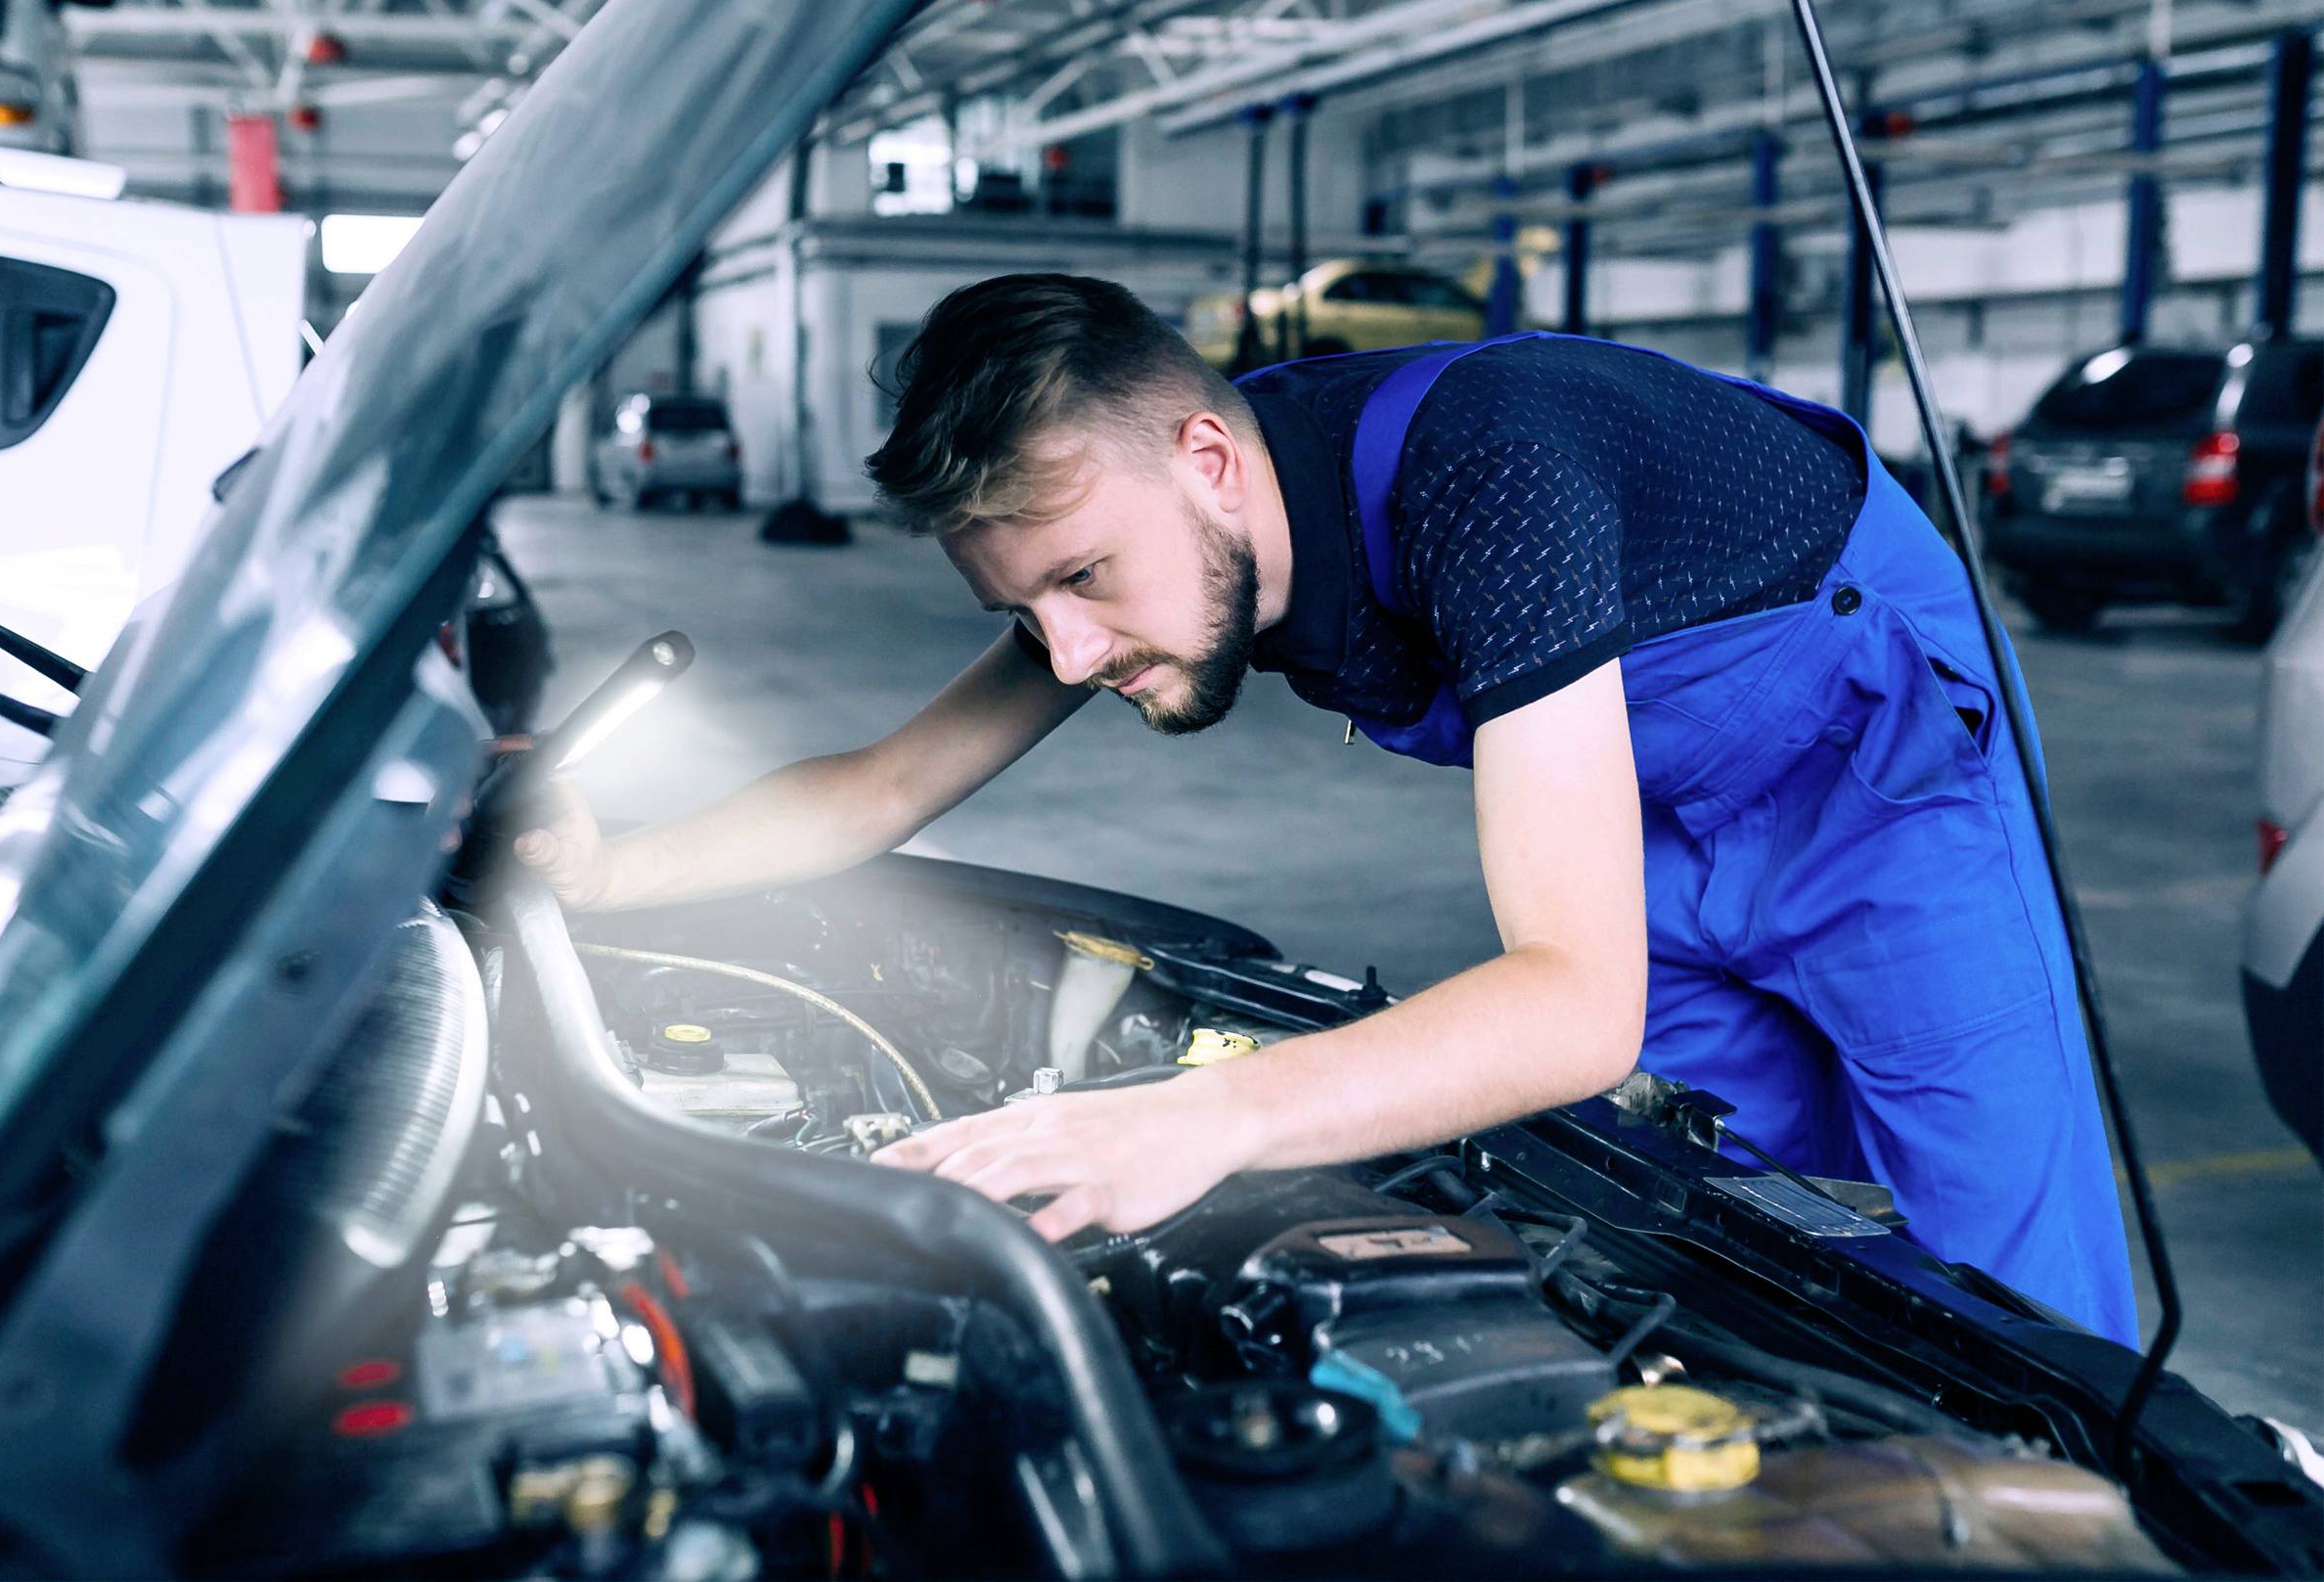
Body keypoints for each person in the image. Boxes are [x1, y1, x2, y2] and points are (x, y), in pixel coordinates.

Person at [518, 273, 2136, 1346]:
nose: (1069, 653)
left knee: (2010, 1297)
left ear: (1209, 457)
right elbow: (880, 786)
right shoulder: (1159, 527)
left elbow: (1570, 1005)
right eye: (1029, 611)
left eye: (1083, 582)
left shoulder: (1496, 474)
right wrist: (601, 871)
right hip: (1638, 812)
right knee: (1694, 1242)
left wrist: (1195, 1118)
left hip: (1879, 773)